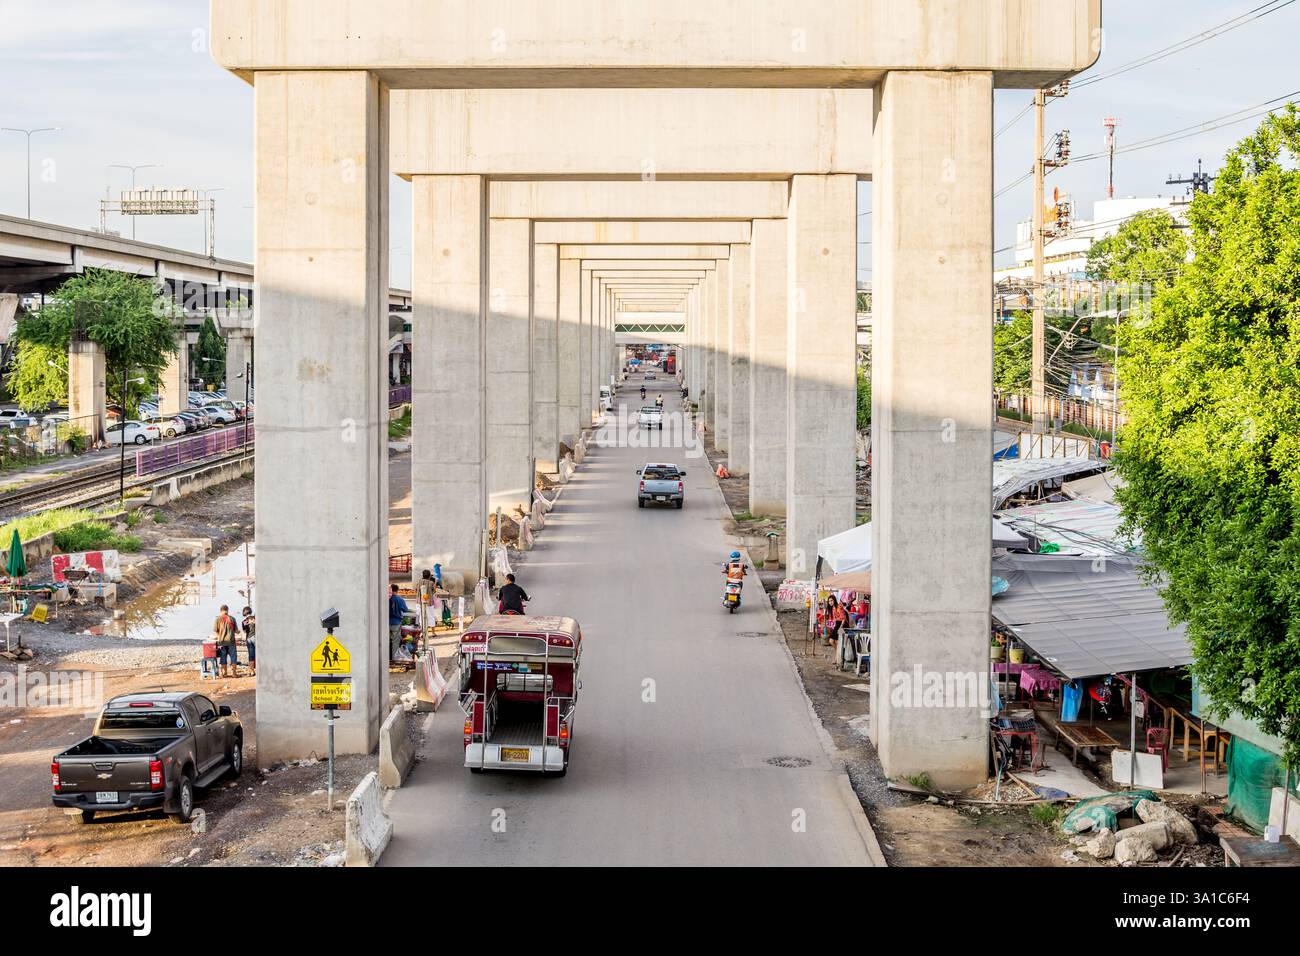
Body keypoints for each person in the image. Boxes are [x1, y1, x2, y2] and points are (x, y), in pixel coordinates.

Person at [213, 604, 241, 678]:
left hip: (222, 642)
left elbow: (216, 631)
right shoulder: (232, 619)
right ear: (227, 610)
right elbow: (236, 631)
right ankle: (234, 673)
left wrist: (219, 637)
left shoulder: (217, 619)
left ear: (220, 610)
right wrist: (238, 632)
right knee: (233, 657)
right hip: (231, 641)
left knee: (223, 657)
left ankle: (224, 673)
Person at [388, 584, 409, 660]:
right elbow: (405, 610)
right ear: (397, 591)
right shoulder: (399, 599)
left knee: (385, 640)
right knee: (395, 641)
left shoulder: (385, 598)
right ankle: (394, 657)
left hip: (385, 623)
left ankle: (385, 657)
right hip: (396, 623)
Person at [241, 605, 257, 677]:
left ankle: (252, 671)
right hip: (256, 637)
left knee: (251, 655)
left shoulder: (244, 621)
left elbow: (245, 631)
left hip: (248, 638)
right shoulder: (255, 618)